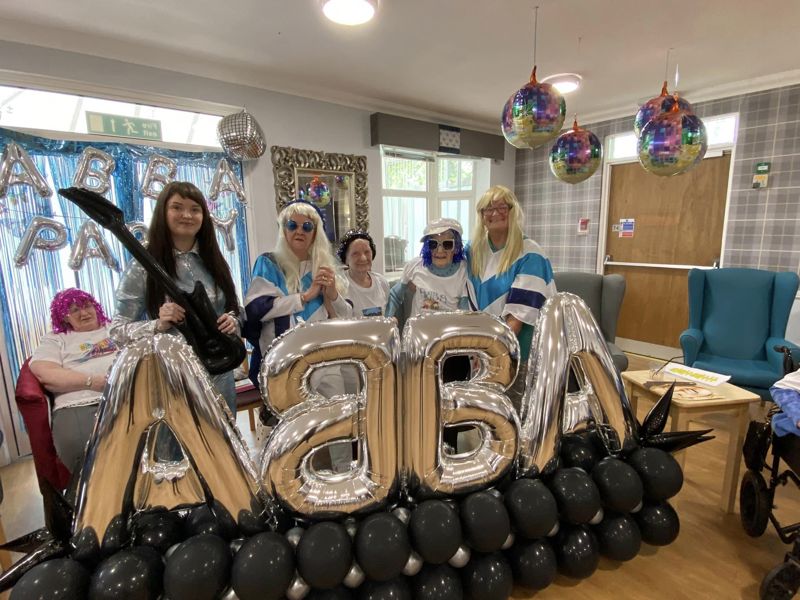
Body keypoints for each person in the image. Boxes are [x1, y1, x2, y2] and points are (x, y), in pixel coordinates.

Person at [112, 181, 242, 413]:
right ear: (163, 212)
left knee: (222, 443)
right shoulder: (143, 266)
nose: (186, 215)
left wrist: (233, 320)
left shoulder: (213, 260)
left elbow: (235, 308)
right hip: (173, 376)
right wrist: (158, 324)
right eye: (177, 207)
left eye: (195, 209)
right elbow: (118, 331)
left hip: (220, 373)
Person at [244, 200, 351, 392]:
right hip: (283, 360)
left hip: (324, 359)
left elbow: (345, 319)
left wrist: (332, 295)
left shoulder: (324, 265)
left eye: (307, 226)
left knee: (334, 416)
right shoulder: (269, 264)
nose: (299, 231)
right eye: (292, 225)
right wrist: (304, 297)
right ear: (284, 230)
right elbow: (256, 309)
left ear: (315, 233)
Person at [467, 185, 556, 409]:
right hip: (484, 346)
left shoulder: (530, 253)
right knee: (486, 410)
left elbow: (517, 317)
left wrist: (489, 351)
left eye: (501, 207)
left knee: (513, 412)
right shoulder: (473, 250)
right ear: (481, 215)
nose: (494, 213)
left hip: (519, 348)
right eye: (488, 208)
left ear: (512, 210)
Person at [30, 288, 119, 474]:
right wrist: (92, 381)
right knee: (83, 449)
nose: (84, 313)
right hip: (78, 403)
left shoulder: (115, 328)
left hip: (125, 394)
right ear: (64, 318)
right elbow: (44, 372)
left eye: (87, 306)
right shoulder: (56, 339)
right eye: (75, 310)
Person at [386, 217, 470, 326]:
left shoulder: (463, 271)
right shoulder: (415, 265)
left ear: (456, 248)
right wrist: (387, 319)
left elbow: (465, 312)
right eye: (433, 244)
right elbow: (395, 296)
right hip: (417, 334)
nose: (439, 250)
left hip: (447, 336)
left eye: (447, 244)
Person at [337, 229, 390, 317]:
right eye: (355, 253)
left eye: (367, 252)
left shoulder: (382, 283)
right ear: (345, 259)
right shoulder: (339, 284)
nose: (363, 258)